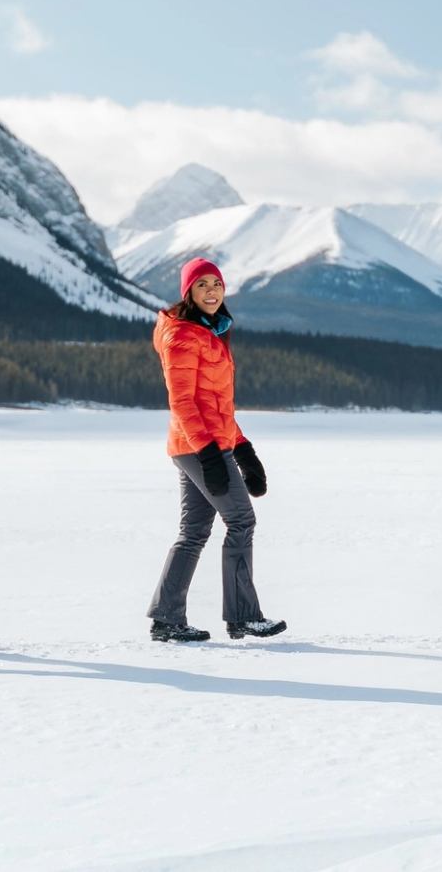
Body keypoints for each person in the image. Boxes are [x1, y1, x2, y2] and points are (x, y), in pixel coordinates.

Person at [147, 257, 285, 642]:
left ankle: (166, 619)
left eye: (217, 285)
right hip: (198, 445)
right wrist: (210, 454)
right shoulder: (182, 337)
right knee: (242, 521)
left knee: (193, 532)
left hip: (200, 442)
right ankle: (243, 616)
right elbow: (184, 403)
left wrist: (244, 450)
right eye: (202, 285)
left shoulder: (211, 333)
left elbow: (217, 404)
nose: (211, 291)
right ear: (188, 292)